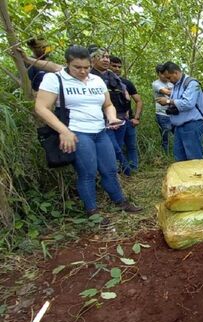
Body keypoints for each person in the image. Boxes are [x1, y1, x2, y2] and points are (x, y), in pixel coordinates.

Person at [34, 45, 141, 221]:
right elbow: (41, 107)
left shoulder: (97, 81)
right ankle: (93, 211)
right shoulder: (55, 79)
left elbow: (107, 104)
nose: (83, 71)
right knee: (88, 172)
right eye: (77, 67)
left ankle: (120, 201)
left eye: (86, 67)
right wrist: (64, 131)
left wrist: (112, 117)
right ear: (67, 63)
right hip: (77, 132)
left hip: (100, 131)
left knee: (110, 169)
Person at [88, 46, 132, 176]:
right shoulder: (88, 76)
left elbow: (125, 94)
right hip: (102, 120)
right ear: (92, 59)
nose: (106, 59)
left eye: (107, 57)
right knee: (113, 148)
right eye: (102, 57)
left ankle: (122, 174)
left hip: (120, 118)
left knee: (118, 147)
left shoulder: (114, 76)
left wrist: (127, 111)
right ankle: (124, 172)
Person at [156, 61, 203, 161]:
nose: (169, 81)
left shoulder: (192, 83)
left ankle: (197, 177)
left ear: (176, 73)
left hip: (191, 126)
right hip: (178, 127)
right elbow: (178, 104)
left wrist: (169, 101)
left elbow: (188, 103)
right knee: (180, 159)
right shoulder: (176, 86)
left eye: (169, 77)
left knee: (194, 159)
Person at [109, 56, 142, 171]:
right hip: (112, 122)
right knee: (117, 147)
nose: (117, 69)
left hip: (128, 120)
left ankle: (133, 169)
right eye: (114, 66)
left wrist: (136, 118)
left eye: (119, 67)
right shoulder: (102, 82)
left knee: (131, 146)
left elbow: (138, 100)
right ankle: (121, 171)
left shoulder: (126, 83)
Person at [152, 64, 174, 154]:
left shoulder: (170, 82)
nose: (165, 76)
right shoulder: (156, 84)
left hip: (173, 112)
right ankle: (166, 154)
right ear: (158, 74)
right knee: (165, 135)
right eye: (163, 74)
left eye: (166, 73)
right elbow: (167, 92)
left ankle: (175, 152)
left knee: (176, 134)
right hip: (162, 113)